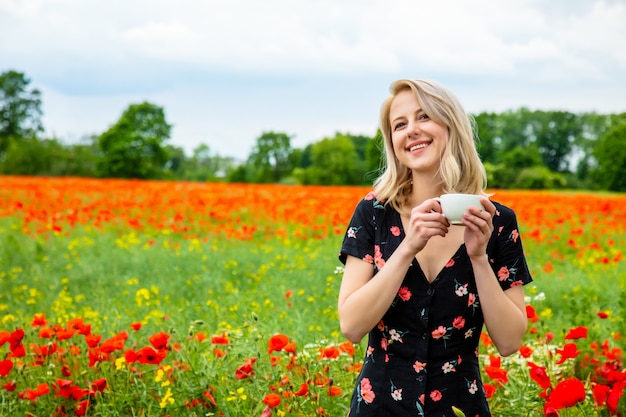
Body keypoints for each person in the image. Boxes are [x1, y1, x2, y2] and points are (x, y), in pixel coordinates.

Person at [337, 79, 532, 417]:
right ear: (393, 141)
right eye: (400, 125)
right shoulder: (374, 213)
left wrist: (479, 258)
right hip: (380, 406)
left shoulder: (495, 221)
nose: (411, 130)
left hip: (459, 406)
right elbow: (351, 326)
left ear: (450, 125)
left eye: (424, 117)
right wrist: (407, 247)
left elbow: (510, 342)